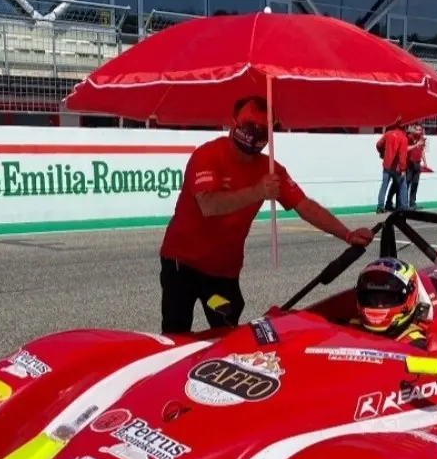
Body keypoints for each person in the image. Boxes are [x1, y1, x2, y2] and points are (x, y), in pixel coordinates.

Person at [159, 96, 374, 334]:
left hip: (223, 271)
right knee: (175, 333)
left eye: (263, 128)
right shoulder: (207, 155)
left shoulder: (270, 169)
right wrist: (257, 191)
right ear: (234, 122)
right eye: (251, 126)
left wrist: (346, 233)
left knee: (229, 333)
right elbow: (209, 205)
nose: (255, 134)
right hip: (182, 264)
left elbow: (304, 206)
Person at [353, 257, 427, 344]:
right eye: (373, 299)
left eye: (387, 299)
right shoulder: (349, 328)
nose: (379, 304)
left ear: (410, 296)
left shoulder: (416, 344)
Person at [376, 121, 409, 213]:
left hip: (387, 165)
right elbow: (402, 155)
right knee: (402, 186)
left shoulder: (388, 134)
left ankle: (380, 206)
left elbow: (378, 145)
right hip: (397, 168)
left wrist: (382, 153)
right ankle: (403, 207)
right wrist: (402, 169)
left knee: (384, 185)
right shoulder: (403, 138)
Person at [405, 124, 427, 209]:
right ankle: (404, 203)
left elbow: (422, 151)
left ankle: (412, 202)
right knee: (407, 183)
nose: (418, 131)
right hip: (410, 163)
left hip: (417, 163)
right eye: (417, 129)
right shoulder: (410, 137)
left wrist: (425, 162)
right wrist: (415, 143)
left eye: (420, 129)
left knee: (415, 183)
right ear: (413, 130)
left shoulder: (421, 138)